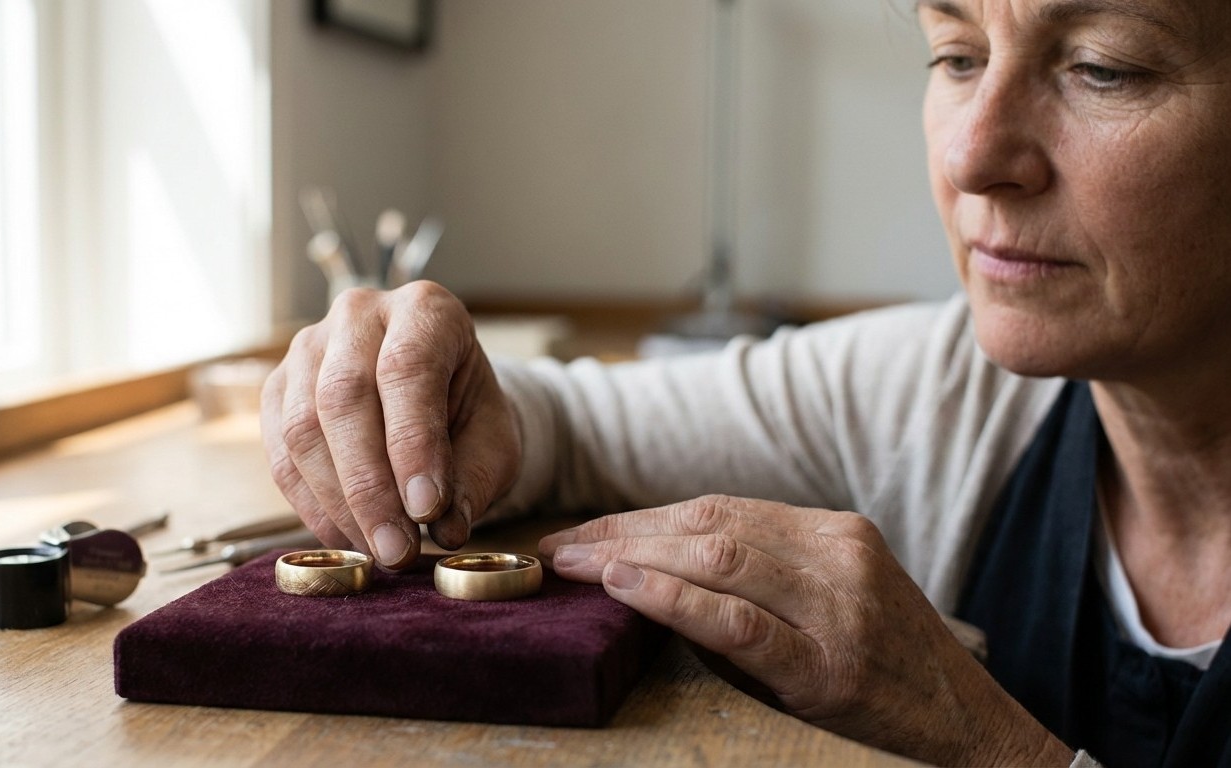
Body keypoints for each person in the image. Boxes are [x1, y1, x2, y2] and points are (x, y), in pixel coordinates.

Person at [260, 1, 1231, 765]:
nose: (971, 155)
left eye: (1105, 65)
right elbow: (568, 426)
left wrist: (980, 745)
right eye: (957, 55)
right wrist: (425, 381)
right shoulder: (942, 387)